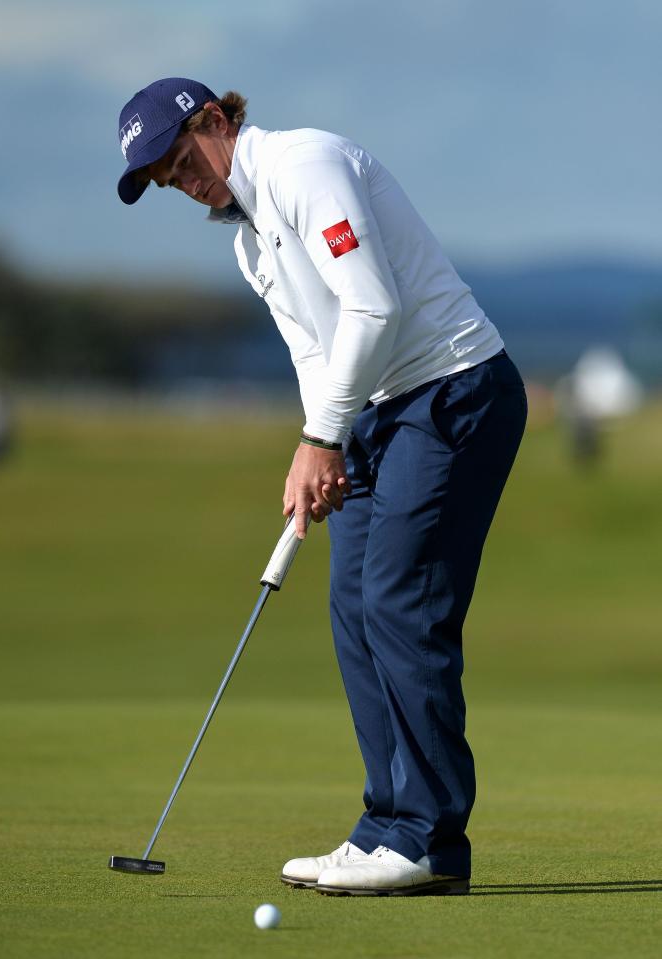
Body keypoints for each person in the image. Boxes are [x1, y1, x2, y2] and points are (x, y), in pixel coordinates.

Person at [116, 78, 527, 896]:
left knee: (401, 603)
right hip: (376, 411)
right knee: (353, 607)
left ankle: (430, 839)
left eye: (178, 157)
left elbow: (373, 309)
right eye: (164, 177)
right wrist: (319, 447)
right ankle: (386, 827)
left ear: (215, 120)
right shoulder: (248, 239)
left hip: (452, 389)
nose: (180, 179)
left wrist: (319, 438)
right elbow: (317, 352)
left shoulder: (305, 165)